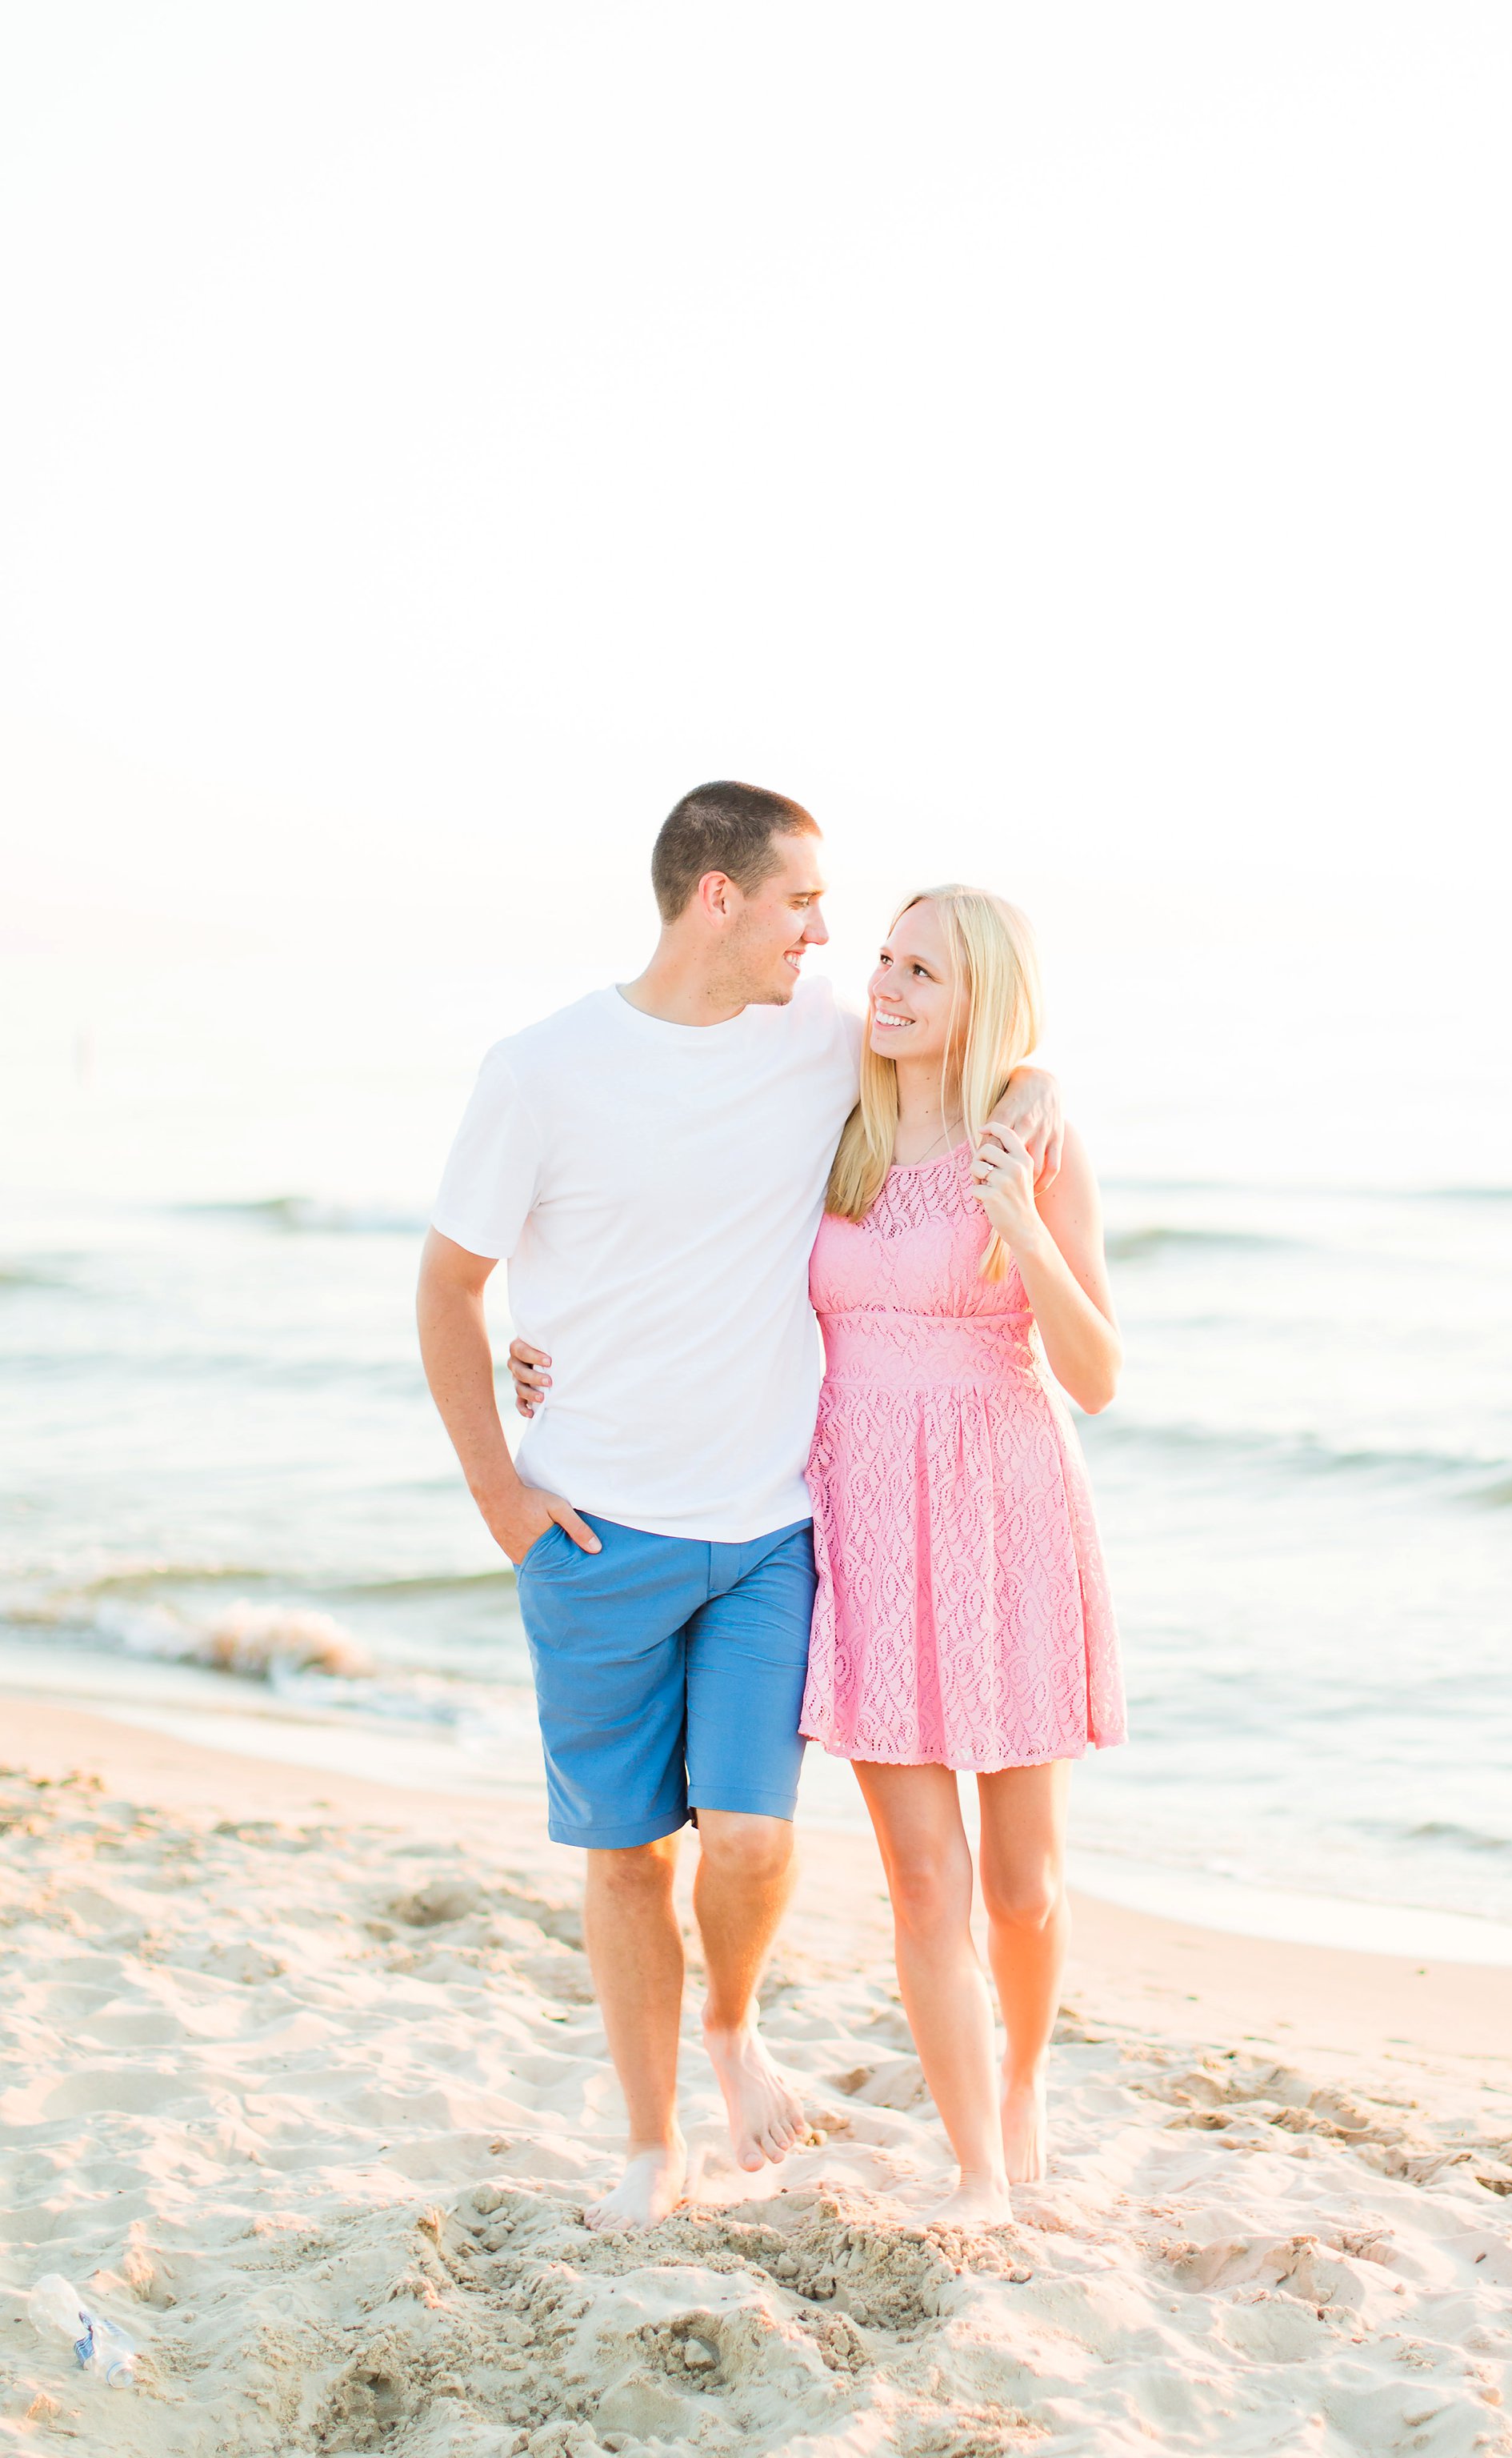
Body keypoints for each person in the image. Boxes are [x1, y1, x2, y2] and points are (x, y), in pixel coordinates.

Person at [418, 783, 1062, 2233]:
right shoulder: (541, 1071)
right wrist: (503, 1498)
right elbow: (449, 1287)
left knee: (756, 1841)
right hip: (593, 1527)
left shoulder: (825, 1037)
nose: (829, 938)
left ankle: (734, 2030)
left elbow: (984, 1045)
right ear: (720, 897)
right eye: (800, 906)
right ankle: (655, 2144)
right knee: (629, 1856)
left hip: (773, 1528)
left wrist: (1041, 1098)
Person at [798, 883, 1125, 2224]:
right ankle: (980, 2172)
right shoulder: (836, 1122)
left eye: (921, 971)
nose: (885, 985)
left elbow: (1097, 1373)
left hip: (1005, 1502)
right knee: (923, 1877)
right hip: (865, 1511)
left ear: (980, 994)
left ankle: (1028, 2075)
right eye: (884, 959)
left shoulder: (1033, 1140)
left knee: (1021, 1881)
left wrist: (1025, 1220)